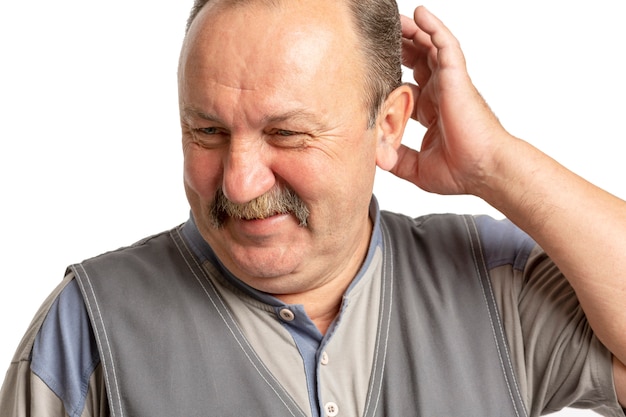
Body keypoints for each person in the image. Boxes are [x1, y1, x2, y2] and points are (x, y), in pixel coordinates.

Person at [1, 0, 625, 416]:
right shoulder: (86, 331)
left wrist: (496, 164)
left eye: (287, 134)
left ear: (388, 125)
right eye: (207, 132)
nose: (240, 183)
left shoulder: (497, 291)